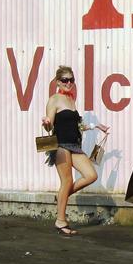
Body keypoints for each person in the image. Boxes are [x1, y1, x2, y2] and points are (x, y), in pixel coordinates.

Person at [42, 65, 109, 236]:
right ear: (58, 82)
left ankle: (62, 197)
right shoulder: (54, 99)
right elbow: (49, 121)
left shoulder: (71, 100)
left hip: (74, 146)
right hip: (61, 145)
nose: (68, 83)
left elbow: (77, 125)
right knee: (67, 181)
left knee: (91, 175)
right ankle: (60, 220)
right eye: (65, 80)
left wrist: (96, 125)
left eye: (71, 79)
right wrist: (46, 122)